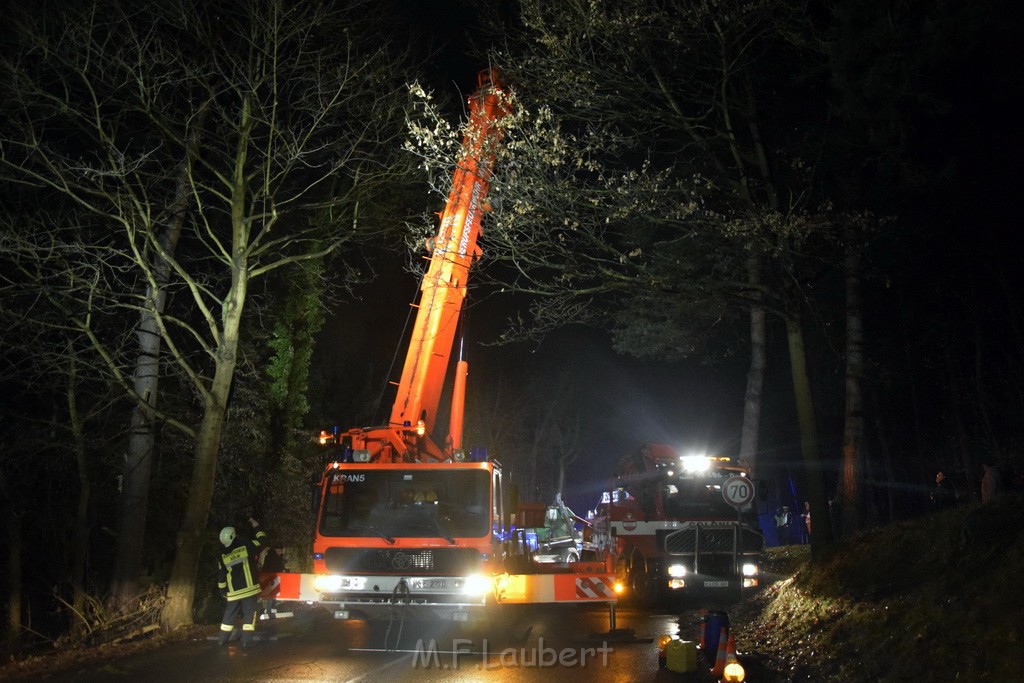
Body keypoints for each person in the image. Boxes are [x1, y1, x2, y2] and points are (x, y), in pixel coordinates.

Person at [217, 516, 266, 647]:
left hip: (233, 593)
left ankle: (222, 640)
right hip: (249, 590)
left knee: (228, 617)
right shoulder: (246, 545)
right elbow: (262, 541)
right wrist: (256, 526)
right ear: (233, 535)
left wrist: (223, 591)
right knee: (249, 616)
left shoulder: (223, 555)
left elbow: (222, 576)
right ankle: (246, 641)